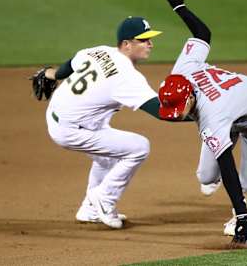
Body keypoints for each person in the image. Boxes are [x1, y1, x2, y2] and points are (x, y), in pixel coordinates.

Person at [158, 0, 247, 247]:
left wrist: (241, 216)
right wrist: (179, 7)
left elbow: (228, 165)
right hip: (229, 110)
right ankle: (242, 204)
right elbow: (203, 34)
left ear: (189, 99)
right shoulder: (182, 71)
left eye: (181, 109)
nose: (180, 114)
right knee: (206, 177)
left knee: (246, 180)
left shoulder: (211, 115)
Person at [39, 16, 164, 229]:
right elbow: (162, 112)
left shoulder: (100, 50)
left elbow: (71, 64)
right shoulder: (126, 76)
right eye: (143, 40)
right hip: (72, 130)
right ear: (126, 44)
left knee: (108, 155)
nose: (150, 44)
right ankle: (104, 199)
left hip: (57, 114)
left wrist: (52, 74)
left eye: (150, 39)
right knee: (139, 147)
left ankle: (90, 209)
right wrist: (202, 113)